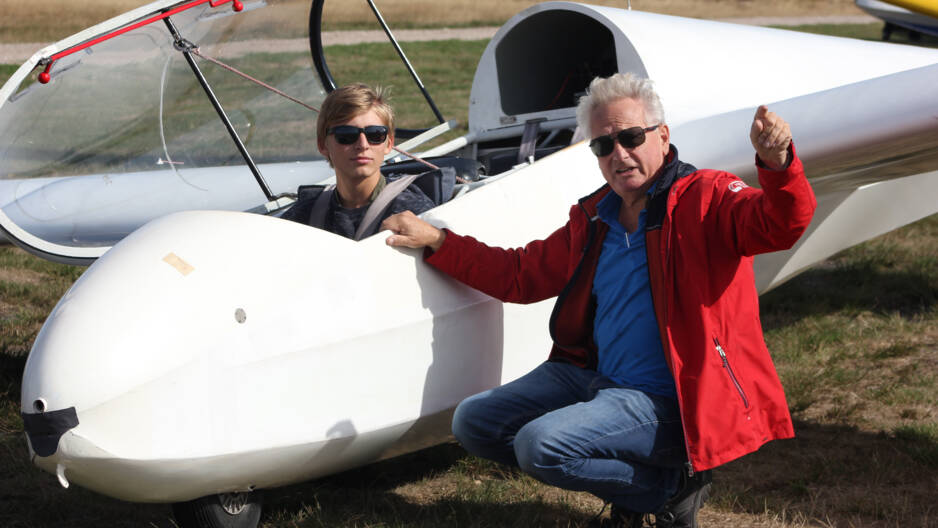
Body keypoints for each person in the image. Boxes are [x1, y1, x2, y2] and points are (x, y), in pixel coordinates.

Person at [381, 73, 817, 527]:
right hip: (594, 378)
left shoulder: (706, 197)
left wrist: (778, 163)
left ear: (662, 136)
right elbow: (521, 275)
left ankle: (668, 490)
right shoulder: (595, 216)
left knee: (540, 446)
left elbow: (780, 225)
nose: (619, 154)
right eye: (603, 146)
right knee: (474, 422)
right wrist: (438, 240)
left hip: (671, 401)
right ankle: (652, 489)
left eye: (630, 137)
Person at [280, 83, 436, 240]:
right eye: (346, 135)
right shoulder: (304, 215)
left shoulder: (413, 211)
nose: (363, 145)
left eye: (375, 134)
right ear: (323, 145)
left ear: (388, 144)